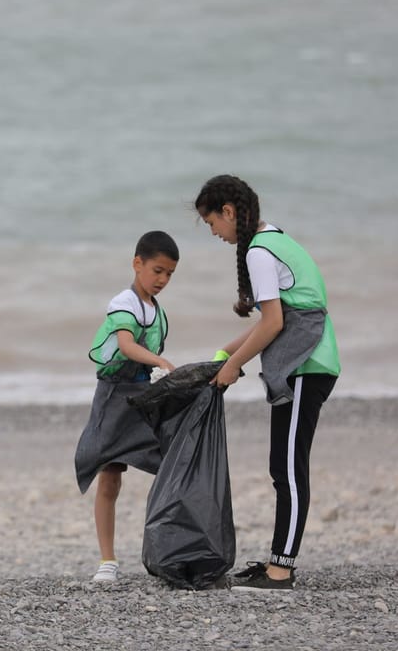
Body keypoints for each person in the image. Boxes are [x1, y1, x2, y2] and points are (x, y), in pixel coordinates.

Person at [194, 174, 340, 591]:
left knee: (289, 470)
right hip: (307, 363)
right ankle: (279, 561)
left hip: (306, 366)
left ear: (229, 212)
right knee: (283, 466)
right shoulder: (274, 237)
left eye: (212, 224)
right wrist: (226, 354)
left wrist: (233, 366)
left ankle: (281, 571)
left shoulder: (259, 251)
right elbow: (277, 318)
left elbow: (274, 323)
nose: (215, 234)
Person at [74, 230, 179, 582]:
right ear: (138, 264)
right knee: (109, 477)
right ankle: (108, 560)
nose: (163, 279)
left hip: (142, 397)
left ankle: (169, 548)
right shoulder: (125, 301)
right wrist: (161, 362)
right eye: (158, 271)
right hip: (114, 397)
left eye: (169, 274)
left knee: (171, 466)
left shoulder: (155, 308)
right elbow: (126, 345)